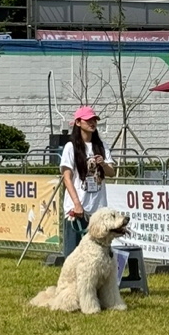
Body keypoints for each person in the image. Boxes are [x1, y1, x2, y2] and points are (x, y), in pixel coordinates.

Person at [59, 107, 116, 260]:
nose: (92, 123)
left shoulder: (102, 146)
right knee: (74, 257)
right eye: (88, 120)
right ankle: (71, 284)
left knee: (98, 256)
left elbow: (112, 173)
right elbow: (67, 177)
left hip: (98, 209)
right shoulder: (71, 147)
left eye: (94, 120)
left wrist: (103, 164)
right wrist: (77, 204)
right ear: (78, 122)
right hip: (77, 210)